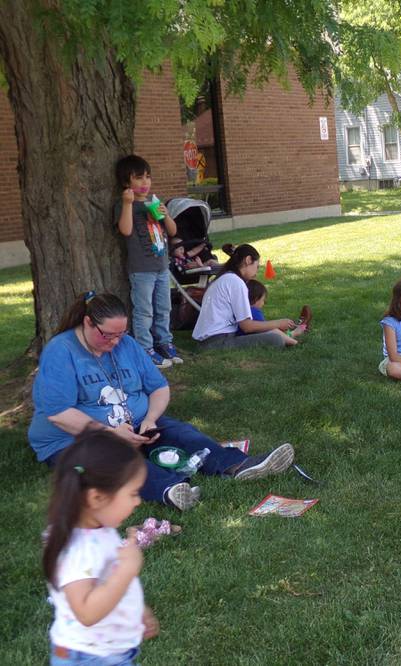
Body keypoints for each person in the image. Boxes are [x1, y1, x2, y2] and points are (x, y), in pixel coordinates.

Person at [28, 292, 296, 512]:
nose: (115, 342)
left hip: (132, 427)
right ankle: (170, 489)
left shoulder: (126, 344)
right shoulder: (60, 351)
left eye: (121, 334)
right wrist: (109, 434)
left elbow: (158, 387)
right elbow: (59, 414)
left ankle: (238, 465)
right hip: (72, 439)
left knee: (182, 434)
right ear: (87, 322)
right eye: (107, 335)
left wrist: (149, 420)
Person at [43, 429, 157, 665]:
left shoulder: (101, 530)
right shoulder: (77, 550)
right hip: (88, 658)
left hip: (107, 651)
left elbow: (105, 580)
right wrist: (127, 571)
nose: (138, 501)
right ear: (96, 498)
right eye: (133, 493)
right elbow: (86, 613)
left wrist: (137, 610)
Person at [114, 154, 181, 369]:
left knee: (164, 307)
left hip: (161, 267)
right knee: (144, 310)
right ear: (127, 182)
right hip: (141, 270)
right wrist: (126, 203)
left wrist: (166, 215)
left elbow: (172, 231)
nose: (145, 183)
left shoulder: (154, 203)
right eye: (139, 178)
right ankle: (145, 348)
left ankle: (165, 342)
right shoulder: (126, 205)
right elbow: (125, 230)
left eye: (148, 178)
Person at [192, 244, 311, 350]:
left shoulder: (223, 278)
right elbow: (247, 326)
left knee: (269, 332)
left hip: (206, 341)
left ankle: (293, 335)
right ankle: (294, 340)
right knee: (275, 339)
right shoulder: (235, 282)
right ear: (248, 260)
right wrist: (278, 323)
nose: (256, 272)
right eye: (257, 266)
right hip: (217, 342)